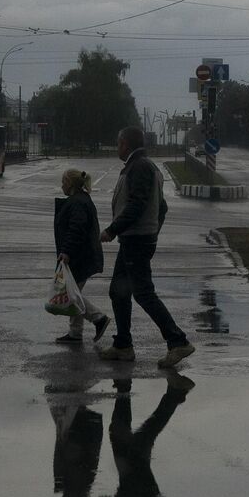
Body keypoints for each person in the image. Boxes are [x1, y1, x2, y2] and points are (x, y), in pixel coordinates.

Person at [98, 126, 195, 368]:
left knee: (143, 293)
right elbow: (162, 208)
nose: (117, 147)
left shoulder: (139, 167)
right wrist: (153, 232)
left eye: (118, 143)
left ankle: (178, 341)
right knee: (118, 291)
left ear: (125, 144)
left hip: (136, 241)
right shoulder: (143, 166)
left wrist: (113, 230)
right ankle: (123, 345)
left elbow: (137, 205)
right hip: (135, 239)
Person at [52, 168, 110, 344]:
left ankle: (98, 318)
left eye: (63, 182)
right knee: (74, 292)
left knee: (71, 295)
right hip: (82, 255)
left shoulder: (77, 202)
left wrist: (66, 251)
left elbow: (76, 229)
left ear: (70, 184)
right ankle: (75, 333)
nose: (61, 185)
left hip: (78, 257)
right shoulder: (80, 200)